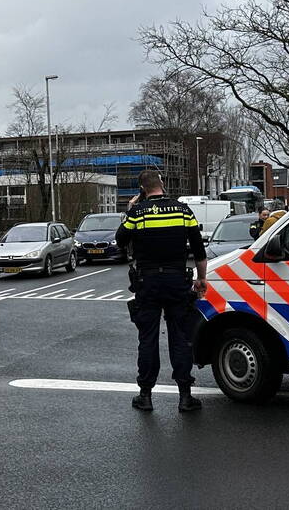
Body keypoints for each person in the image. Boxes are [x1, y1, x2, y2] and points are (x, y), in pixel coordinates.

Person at [116, 170, 208, 413]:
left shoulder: (137, 213)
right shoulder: (182, 210)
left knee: (148, 339)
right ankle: (185, 397)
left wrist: (130, 209)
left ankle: (145, 396)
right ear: (162, 185)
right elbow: (199, 250)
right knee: (180, 338)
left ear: (142, 189)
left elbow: (120, 240)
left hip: (148, 283)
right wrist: (201, 278)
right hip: (177, 281)